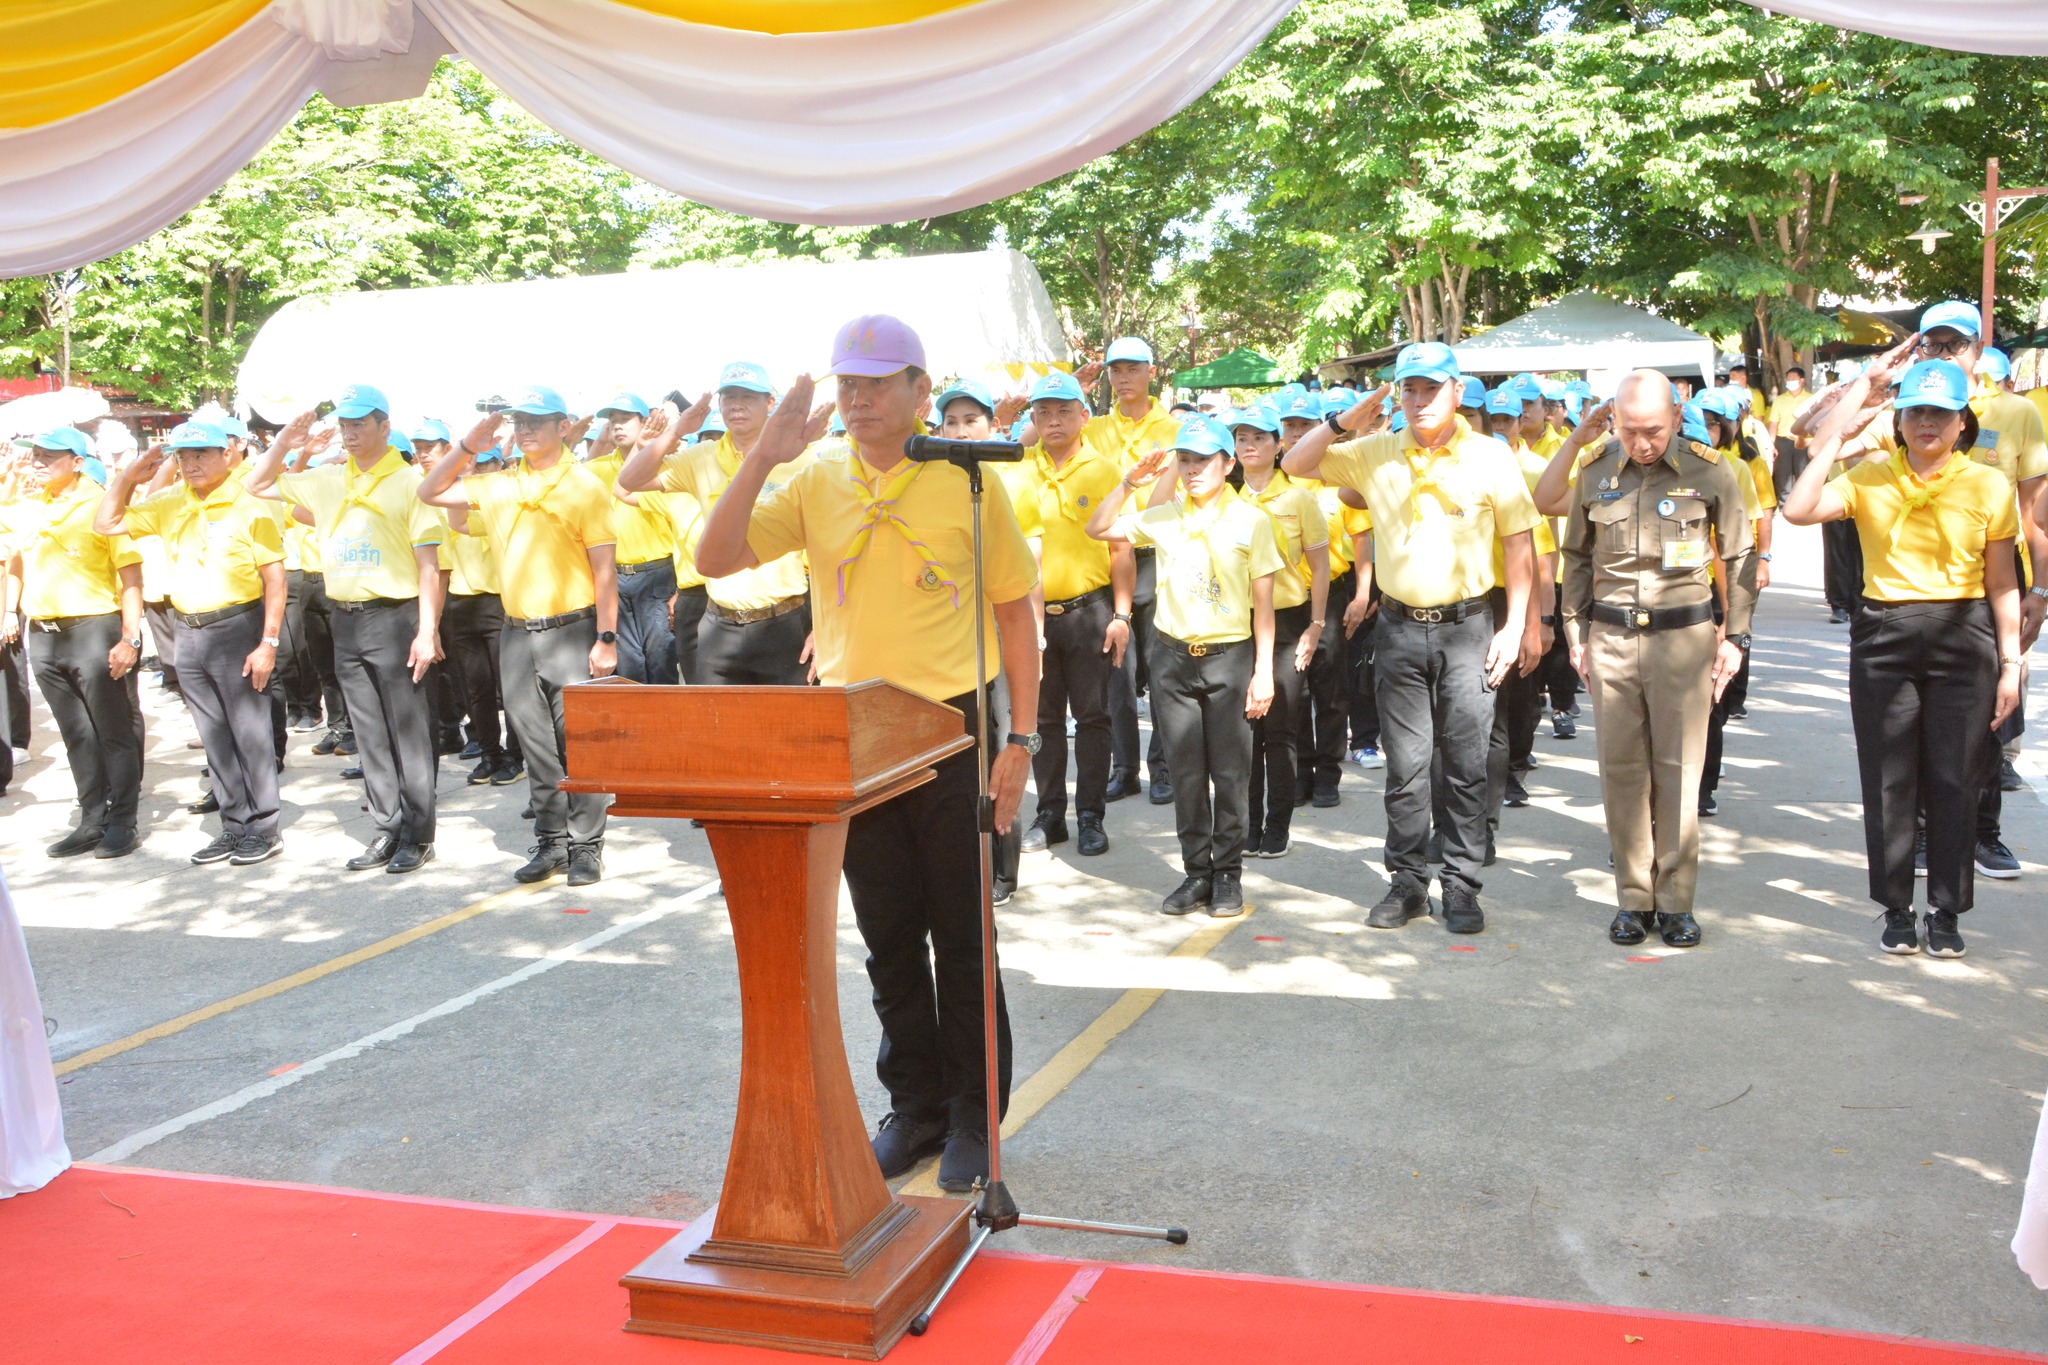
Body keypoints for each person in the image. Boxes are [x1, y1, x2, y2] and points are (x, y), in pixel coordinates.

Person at [694, 314, 1040, 1194]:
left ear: (922, 390)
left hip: (950, 728)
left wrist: (1021, 741)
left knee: (963, 934)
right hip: (850, 730)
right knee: (888, 934)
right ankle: (914, 1106)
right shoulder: (814, 476)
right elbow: (716, 555)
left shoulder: (966, 483)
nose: (859, 398)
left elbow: (1013, 610)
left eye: (879, 383)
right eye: (849, 383)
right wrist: (764, 455)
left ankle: (973, 1115)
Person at [1283, 343, 1540, 936]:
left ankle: (1461, 885)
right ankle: (1406, 883)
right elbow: (1296, 463)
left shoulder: (1490, 457)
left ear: (1456, 391)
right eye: (1409, 390)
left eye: (1431, 389)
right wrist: (1347, 417)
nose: (1419, 401)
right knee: (1405, 767)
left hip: (1470, 629)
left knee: (1465, 763)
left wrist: (1515, 624)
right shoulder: (1376, 451)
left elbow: (1520, 546)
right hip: (1398, 630)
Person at [1782, 357, 2020, 959]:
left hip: (1964, 635)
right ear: (1901, 418)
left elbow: (2001, 584)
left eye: (1940, 413)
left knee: (1955, 776)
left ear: (1963, 422)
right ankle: (1895, 907)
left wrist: (2012, 664)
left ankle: (1946, 911)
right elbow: (1798, 509)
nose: (1927, 424)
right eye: (1916, 411)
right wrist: (1837, 437)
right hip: (1885, 633)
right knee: (1890, 777)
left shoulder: (1989, 485)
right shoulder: (1869, 476)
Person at [1555, 373, 1757, 949]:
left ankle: (1675, 903)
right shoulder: (1595, 469)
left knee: (1678, 771)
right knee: (1621, 772)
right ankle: (1632, 899)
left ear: (1676, 414)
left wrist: (1735, 637)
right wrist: (1575, 632)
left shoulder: (1709, 468)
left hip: (1683, 641)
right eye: (1630, 430)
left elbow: (1741, 552)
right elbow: (1574, 555)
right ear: (1613, 419)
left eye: (1654, 430)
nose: (1643, 443)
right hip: (1612, 640)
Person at [418, 386, 620, 886]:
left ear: (563, 426)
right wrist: (467, 446)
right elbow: (431, 492)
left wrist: (607, 638)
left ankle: (586, 846)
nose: (526, 430)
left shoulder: (584, 486)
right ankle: (551, 841)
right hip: (515, 634)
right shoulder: (501, 483)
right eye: (519, 422)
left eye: (537, 421)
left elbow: (605, 570)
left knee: (580, 745)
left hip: (571, 631)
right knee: (534, 744)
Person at [1087, 415, 1280, 915]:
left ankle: (1228, 875)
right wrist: (1132, 480)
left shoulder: (1251, 520)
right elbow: (1100, 527)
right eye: (1185, 460)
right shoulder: (1166, 515)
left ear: (1228, 463)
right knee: (1186, 775)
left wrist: (1263, 672)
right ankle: (1197, 872)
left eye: (1204, 460)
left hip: (1231, 661)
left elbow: (1264, 604)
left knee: (1232, 775)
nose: (1193, 470)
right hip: (1173, 660)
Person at [247, 390, 446, 874]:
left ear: (383, 426)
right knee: (369, 733)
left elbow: (429, 567)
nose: (351, 433)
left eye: (360, 424)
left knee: (408, 732)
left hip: (394, 615)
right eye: (345, 426)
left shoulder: (410, 482)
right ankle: (387, 826)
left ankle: (418, 835)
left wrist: (427, 630)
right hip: (347, 618)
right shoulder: (329, 478)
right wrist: (291, 444)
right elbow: (257, 483)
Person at [96, 422, 287, 866]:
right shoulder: (168, 501)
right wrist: (128, 478)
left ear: (227, 453)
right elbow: (106, 522)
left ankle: (264, 826)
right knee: (213, 734)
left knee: (250, 732)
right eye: (183, 456)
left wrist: (269, 641)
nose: (191, 464)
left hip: (238, 625)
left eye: (202, 453)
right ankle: (234, 823)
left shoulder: (249, 502)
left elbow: (274, 579)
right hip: (188, 630)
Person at [0, 427, 145, 857]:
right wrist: (10, 610)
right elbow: (15, 557)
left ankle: (123, 821)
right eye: (35, 455)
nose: (38, 463)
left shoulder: (103, 505)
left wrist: (130, 638)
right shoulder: (30, 506)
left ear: (77, 462)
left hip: (92, 628)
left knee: (112, 730)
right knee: (76, 733)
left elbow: (131, 577)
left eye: (49, 456)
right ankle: (92, 818)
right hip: (45, 635)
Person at [619, 363, 811, 686]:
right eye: (729, 396)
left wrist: (821, 627)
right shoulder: (702, 458)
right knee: (714, 732)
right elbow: (629, 479)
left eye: (748, 397)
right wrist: (677, 430)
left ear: (770, 402)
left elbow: (823, 546)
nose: (736, 404)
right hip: (719, 627)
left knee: (788, 732)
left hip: (784, 625)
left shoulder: (799, 459)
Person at [1014, 370, 1130, 859]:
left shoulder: (1104, 470)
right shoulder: (1019, 467)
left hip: (1090, 612)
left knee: (1092, 716)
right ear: (1033, 419)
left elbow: (1121, 550)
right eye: (1043, 412)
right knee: (1040, 720)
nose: (1054, 420)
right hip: (1034, 617)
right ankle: (1050, 813)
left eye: (1064, 410)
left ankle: (1090, 815)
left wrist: (1122, 615)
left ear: (1084, 415)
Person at [936, 378, 1030, 905]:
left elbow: (1021, 584)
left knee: (998, 752)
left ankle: (1002, 868)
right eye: (951, 421)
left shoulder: (1003, 482)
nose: (960, 431)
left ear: (993, 425)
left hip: (999, 633)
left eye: (971, 420)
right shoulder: (932, 482)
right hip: (953, 642)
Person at [1076, 338, 1180, 805]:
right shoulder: (1093, 426)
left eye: (1132, 368)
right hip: (1106, 558)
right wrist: (1074, 390)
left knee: (1161, 670)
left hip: (1155, 557)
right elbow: (1035, 437)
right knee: (1117, 671)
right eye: (1115, 369)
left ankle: (1163, 768)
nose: (1123, 377)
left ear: (1151, 372)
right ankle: (1125, 768)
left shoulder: (1174, 428)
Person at [1231, 405, 1329, 857]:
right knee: (1243, 732)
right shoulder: (1224, 499)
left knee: (1281, 731)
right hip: (1236, 626)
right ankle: (1248, 823)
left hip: (1290, 623)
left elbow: (1321, 566)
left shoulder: (1300, 499)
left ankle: (1277, 826)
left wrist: (1315, 626)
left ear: (1278, 444)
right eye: (1241, 438)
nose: (1249, 445)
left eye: (1259, 437)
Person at [415, 421, 522, 786]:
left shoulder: (501, 507)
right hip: (462, 606)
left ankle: (516, 756)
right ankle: (491, 754)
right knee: (475, 688)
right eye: (475, 465)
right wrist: (434, 626)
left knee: (508, 688)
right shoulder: (450, 510)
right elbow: (441, 570)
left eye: (489, 464)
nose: (480, 470)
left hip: (499, 604)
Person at [582, 392, 682, 685]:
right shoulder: (598, 469)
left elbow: (682, 528)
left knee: (661, 661)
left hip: (658, 578)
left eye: (625, 419)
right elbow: (567, 480)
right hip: (614, 579)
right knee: (628, 669)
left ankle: (665, 731)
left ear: (645, 421)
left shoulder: (667, 466)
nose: (617, 426)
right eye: (612, 421)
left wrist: (679, 591)